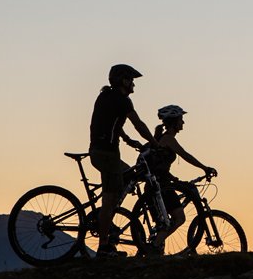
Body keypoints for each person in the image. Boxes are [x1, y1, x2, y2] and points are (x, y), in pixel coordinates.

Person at [89, 64, 156, 257]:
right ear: (122, 81)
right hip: (107, 154)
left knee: (127, 176)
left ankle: (106, 223)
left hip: (99, 151)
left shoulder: (105, 96)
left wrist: (127, 140)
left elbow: (110, 123)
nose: (133, 83)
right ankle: (103, 246)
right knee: (109, 200)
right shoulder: (122, 101)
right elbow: (139, 124)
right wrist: (154, 142)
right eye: (131, 79)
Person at [146, 104, 217, 253]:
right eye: (181, 120)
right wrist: (205, 168)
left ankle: (156, 243)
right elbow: (186, 156)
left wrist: (173, 178)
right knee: (179, 218)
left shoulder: (163, 139)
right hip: (160, 186)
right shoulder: (168, 139)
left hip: (162, 183)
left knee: (173, 218)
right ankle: (155, 245)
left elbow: (160, 164)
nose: (183, 123)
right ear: (174, 122)